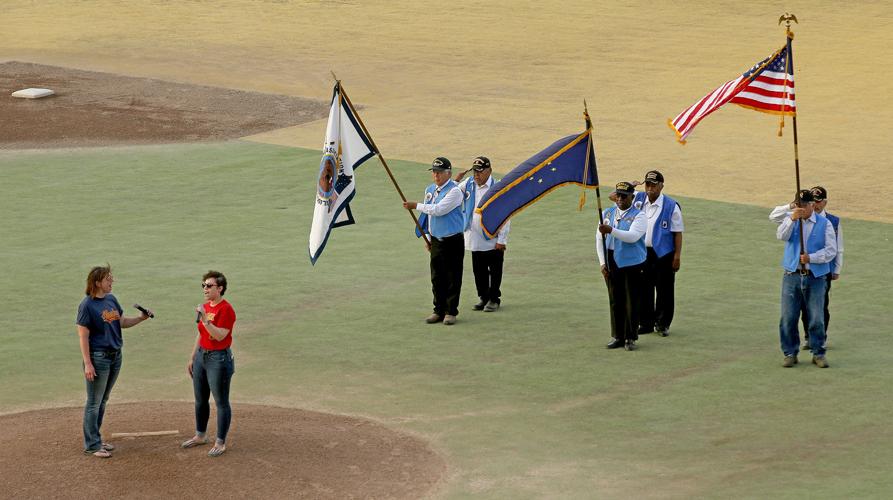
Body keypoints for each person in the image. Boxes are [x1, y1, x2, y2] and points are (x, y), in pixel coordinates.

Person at [76, 265, 152, 458]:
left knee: (103, 400)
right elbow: (83, 336)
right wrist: (88, 363)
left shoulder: (111, 299)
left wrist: (141, 318)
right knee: (94, 402)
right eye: (108, 279)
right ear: (97, 283)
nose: (112, 282)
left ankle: (97, 439)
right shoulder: (87, 305)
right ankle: (92, 445)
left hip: (115, 356)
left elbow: (121, 322)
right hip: (98, 358)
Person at [769, 186, 843, 350]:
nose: (803, 208)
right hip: (792, 274)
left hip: (818, 274)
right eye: (799, 204)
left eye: (806, 204)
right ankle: (790, 352)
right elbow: (781, 233)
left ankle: (818, 348)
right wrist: (791, 216)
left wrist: (813, 259)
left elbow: (834, 249)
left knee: (817, 315)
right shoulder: (792, 218)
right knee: (789, 316)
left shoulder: (827, 222)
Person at [404, 157, 465, 325]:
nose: (436, 176)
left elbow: (439, 210)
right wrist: (429, 238)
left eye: (439, 173)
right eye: (434, 173)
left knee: (453, 276)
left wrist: (416, 205)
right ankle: (438, 310)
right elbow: (429, 217)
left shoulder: (454, 191)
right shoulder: (430, 189)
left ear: (449, 174)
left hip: (453, 240)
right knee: (437, 276)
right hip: (437, 240)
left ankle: (450, 311)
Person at [182, 270, 236, 457]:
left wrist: (205, 320)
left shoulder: (226, 309)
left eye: (209, 285)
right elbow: (201, 333)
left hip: (218, 359)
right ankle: (200, 435)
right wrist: (192, 357)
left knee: (221, 402)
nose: (205, 289)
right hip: (201, 357)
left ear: (220, 288)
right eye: (203, 285)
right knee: (200, 400)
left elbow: (221, 335)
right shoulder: (206, 307)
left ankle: (220, 442)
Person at [455, 156, 510, 312]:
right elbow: (452, 195)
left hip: (493, 237)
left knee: (495, 270)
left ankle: (494, 299)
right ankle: (483, 297)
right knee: (478, 270)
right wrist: (456, 181)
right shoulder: (468, 184)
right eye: (474, 172)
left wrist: (502, 239)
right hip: (474, 237)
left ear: (489, 171)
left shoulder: (498, 187)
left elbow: (506, 215)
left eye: (480, 172)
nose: (477, 175)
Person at [596, 182, 648, 351]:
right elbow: (599, 239)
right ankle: (618, 335)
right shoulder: (607, 213)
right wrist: (603, 262)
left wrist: (611, 230)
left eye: (624, 196)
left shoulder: (639, 216)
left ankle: (630, 337)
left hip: (632, 262)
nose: (619, 199)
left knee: (631, 300)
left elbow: (632, 237)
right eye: (618, 195)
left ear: (632, 198)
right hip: (612, 260)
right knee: (615, 300)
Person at [632, 170, 683, 337]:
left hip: (664, 254)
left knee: (664, 290)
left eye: (654, 185)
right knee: (643, 288)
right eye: (648, 184)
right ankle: (645, 323)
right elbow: (614, 196)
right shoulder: (638, 198)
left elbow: (677, 232)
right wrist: (631, 186)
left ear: (661, 186)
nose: (650, 188)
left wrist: (677, 256)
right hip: (642, 252)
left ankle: (662, 324)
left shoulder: (671, 205)